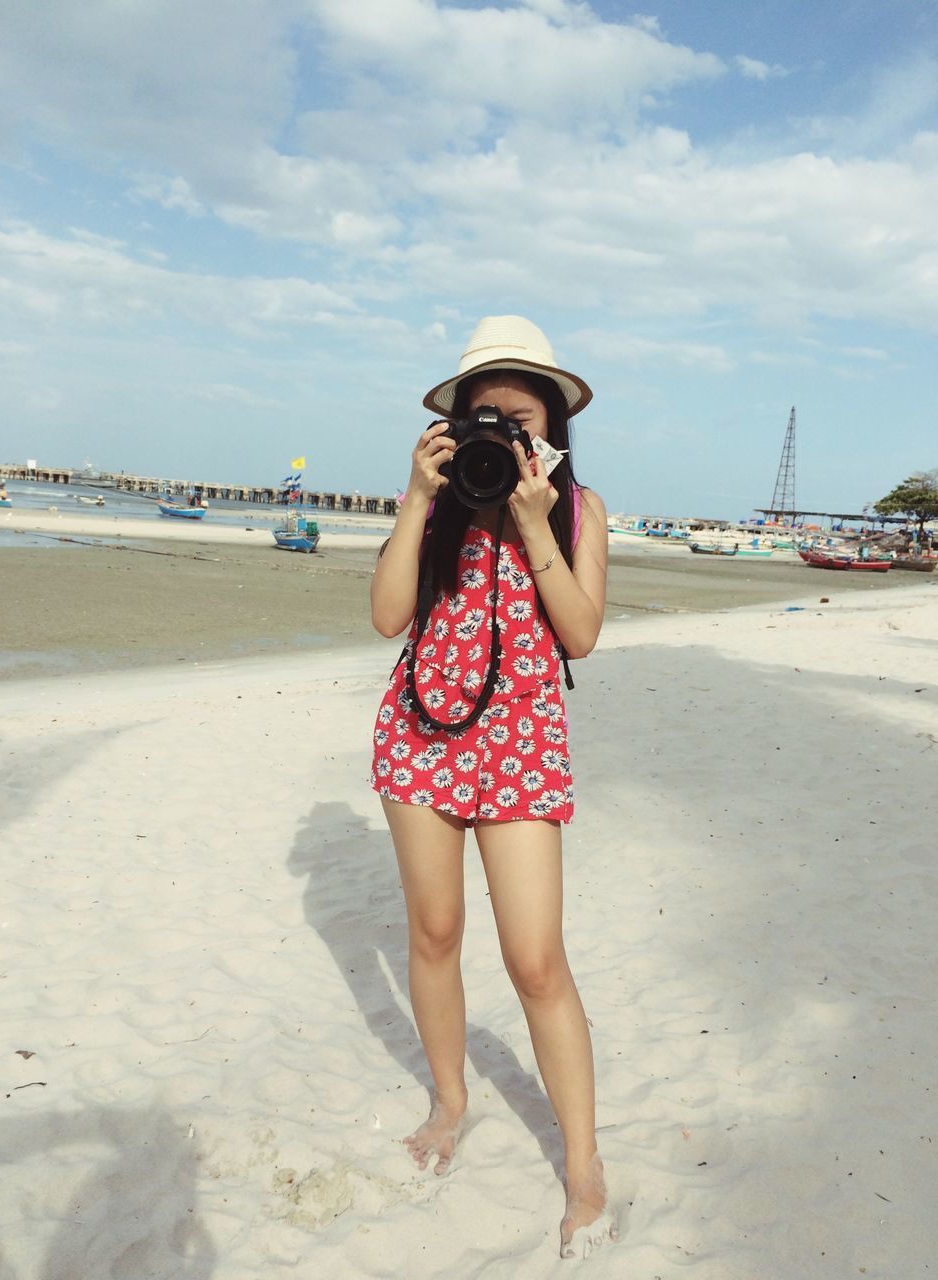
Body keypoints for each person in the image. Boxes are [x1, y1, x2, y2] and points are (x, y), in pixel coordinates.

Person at [370, 316, 614, 1258]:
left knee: (536, 959)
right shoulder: (434, 503)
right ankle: (450, 1101)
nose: (501, 436)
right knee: (433, 933)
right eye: (484, 419)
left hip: (522, 745)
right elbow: (390, 614)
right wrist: (414, 500)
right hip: (423, 732)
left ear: (552, 425)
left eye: (518, 419)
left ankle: (584, 1165)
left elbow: (581, 634)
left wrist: (529, 516)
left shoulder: (578, 507)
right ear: (455, 428)